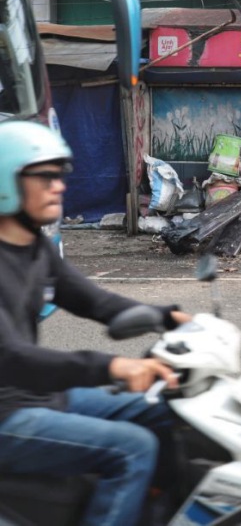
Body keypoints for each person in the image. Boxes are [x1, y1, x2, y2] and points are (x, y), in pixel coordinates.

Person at [0, 121, 189, 526]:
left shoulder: (34, 246)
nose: (59, 187)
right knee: (132, 448)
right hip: (7, 416)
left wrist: (166, 316)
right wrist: (112, 366)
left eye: (60, 176)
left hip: (38, 398)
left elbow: (90, 299)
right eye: (45, 177)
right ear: (6, 182)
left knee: (167, 411)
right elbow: (12, 358)